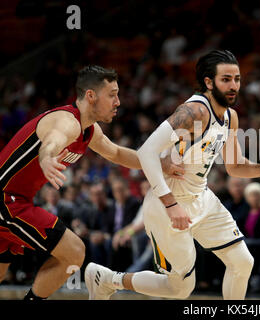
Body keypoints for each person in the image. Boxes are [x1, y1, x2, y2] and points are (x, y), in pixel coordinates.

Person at [85, 50, 260, 300]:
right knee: (180, 289)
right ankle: (107, 279)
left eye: (237, 79)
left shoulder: (230, 116)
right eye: (226, 79)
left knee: (243, 262)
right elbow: (146, 153)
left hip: (202, 196)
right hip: (168, 202)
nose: (234, 86)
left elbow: (235, 166)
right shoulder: (194, 111)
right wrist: (171, 204)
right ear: (209, 82)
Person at [0, 65, 183, 300]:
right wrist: (46, 156)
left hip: (16, 200)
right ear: (90, 96)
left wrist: (160, 163)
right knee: (74, 252)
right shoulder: (67, 121)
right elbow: (54, 140)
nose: (118, 101)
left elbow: (116, 153)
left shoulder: (90, 130)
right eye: (112, 94)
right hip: (7, 201)